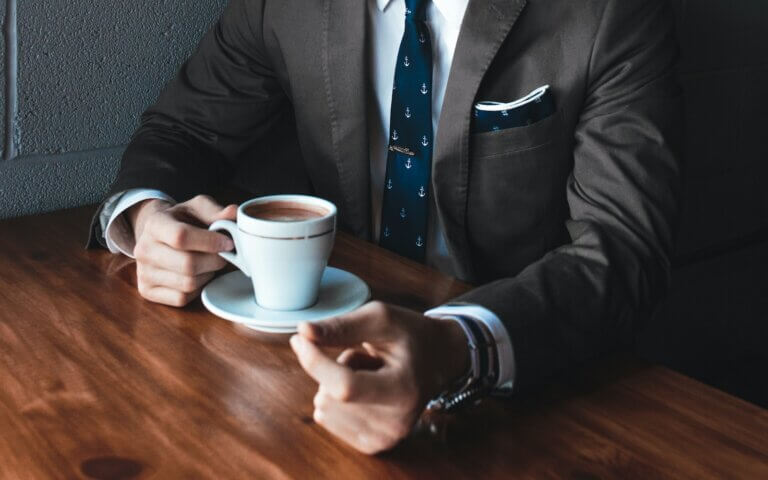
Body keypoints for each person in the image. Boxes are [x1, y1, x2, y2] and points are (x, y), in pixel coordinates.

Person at [89, 0, 682, 454]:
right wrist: (144, 217)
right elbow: (181, 132)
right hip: (303, 374)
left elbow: (624, 247)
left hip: (526, 400)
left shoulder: (611, 12)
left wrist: (456, 345)